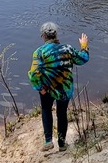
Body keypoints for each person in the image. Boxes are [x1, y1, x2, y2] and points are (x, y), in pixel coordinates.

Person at [28, 22, 89, 153]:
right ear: (56, 34)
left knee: (46, 109)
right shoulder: (67, 48)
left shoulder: (39, 52)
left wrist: (39, 88)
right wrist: (84, 46)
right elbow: (83, 59)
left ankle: (48, 141)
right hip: (64, 89)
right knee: (62, 114)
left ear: (43, 36)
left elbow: (33, 74)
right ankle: (62, 144)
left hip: (47, 89)